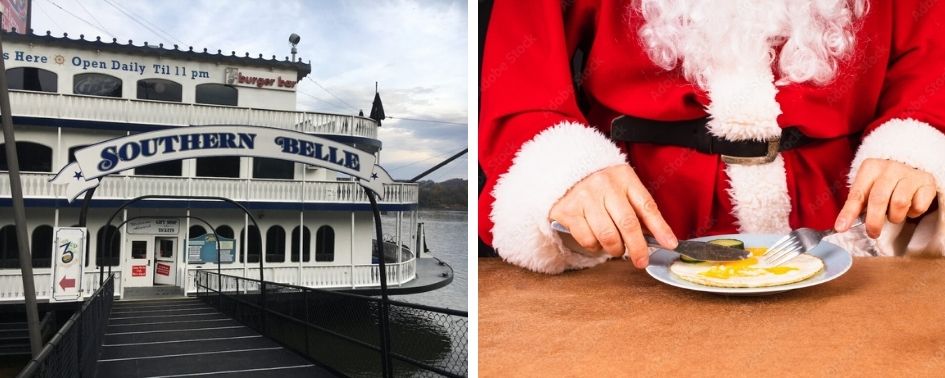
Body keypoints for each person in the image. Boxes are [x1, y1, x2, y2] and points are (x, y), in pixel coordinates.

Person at [479, 0, 945, 274]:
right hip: (637, 242)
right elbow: (520, 86)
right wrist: (567, 174)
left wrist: (916, 144)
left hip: (844, 238)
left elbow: (932, 63)